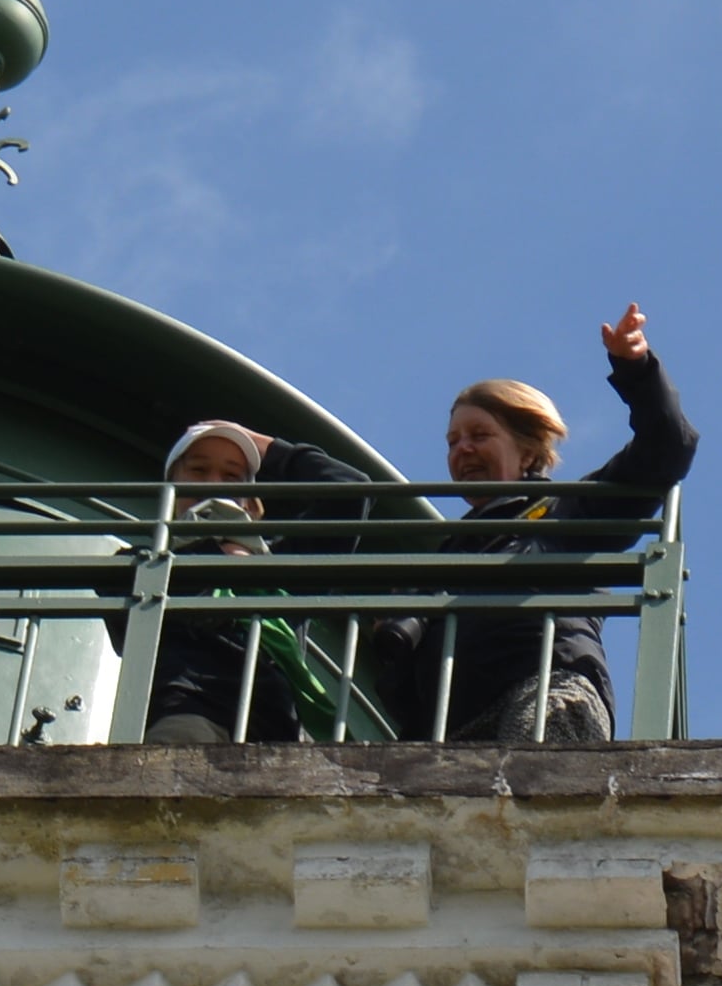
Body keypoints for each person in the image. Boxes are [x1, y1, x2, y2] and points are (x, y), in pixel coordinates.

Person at [410, 304, 692, 743]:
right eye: (453, 441)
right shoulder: (448, 550)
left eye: (479, 435)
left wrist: (636, 368)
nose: (462, 450)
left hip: (543, 689)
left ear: (527, 451)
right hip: (454, 727)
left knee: (536, 796)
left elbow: (666, 446)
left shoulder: (567, 509)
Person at [140, 417, 389, 741]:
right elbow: (127, 621)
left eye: (232, 476)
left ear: (250, 500)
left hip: (277, 728)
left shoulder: (280, 568)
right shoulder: (147, 565)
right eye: (199, 471)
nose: (214, 484)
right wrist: (219, 555)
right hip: (188, 713)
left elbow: (352, 492)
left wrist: (262, 445)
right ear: (170, 492)